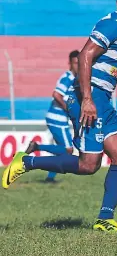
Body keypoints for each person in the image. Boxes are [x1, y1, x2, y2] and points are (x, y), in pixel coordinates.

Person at [2, 0, 117, 234]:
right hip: (90, 98)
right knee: (89, 164)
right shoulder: (112, 24)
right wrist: (87, 98)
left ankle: (104, 218)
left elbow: (115, 71)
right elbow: (84, 56)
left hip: (103, 99)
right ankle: (28, 161)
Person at [25, 50, 79, 183]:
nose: (78, 66)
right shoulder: (68, 78)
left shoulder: (74, 79)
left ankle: (50, 178)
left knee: (62, 151)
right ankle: (37, 147)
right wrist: (69, 110)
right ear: (70, 64)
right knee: (68, 150)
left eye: (79, 63)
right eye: (75, 63)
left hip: (59, 118)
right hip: (57, 118)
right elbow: (56, 94)